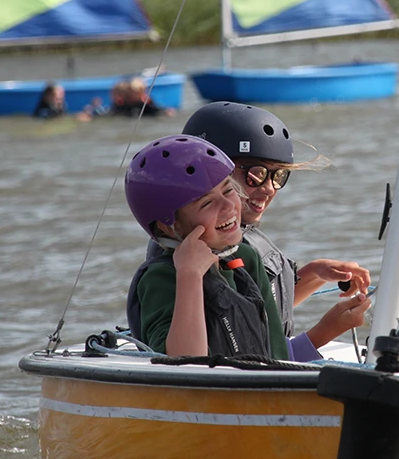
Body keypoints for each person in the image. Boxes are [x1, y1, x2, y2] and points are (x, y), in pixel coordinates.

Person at [175, 102, 372, 357]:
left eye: (277, 176)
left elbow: (260, 309)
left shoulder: (234, 240)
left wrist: (313, 275)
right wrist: (322, 334)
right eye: (255, 174)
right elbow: (242, 357)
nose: (268, 188)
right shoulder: (203, 253)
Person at [124, 134, 288, 359]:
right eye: (207, 203)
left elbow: (278, 354)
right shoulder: (161, 277)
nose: (229, 206)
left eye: (229, 190)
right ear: (169, 225)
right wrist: (190, 275)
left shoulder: (246, 258)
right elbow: (186, 365)